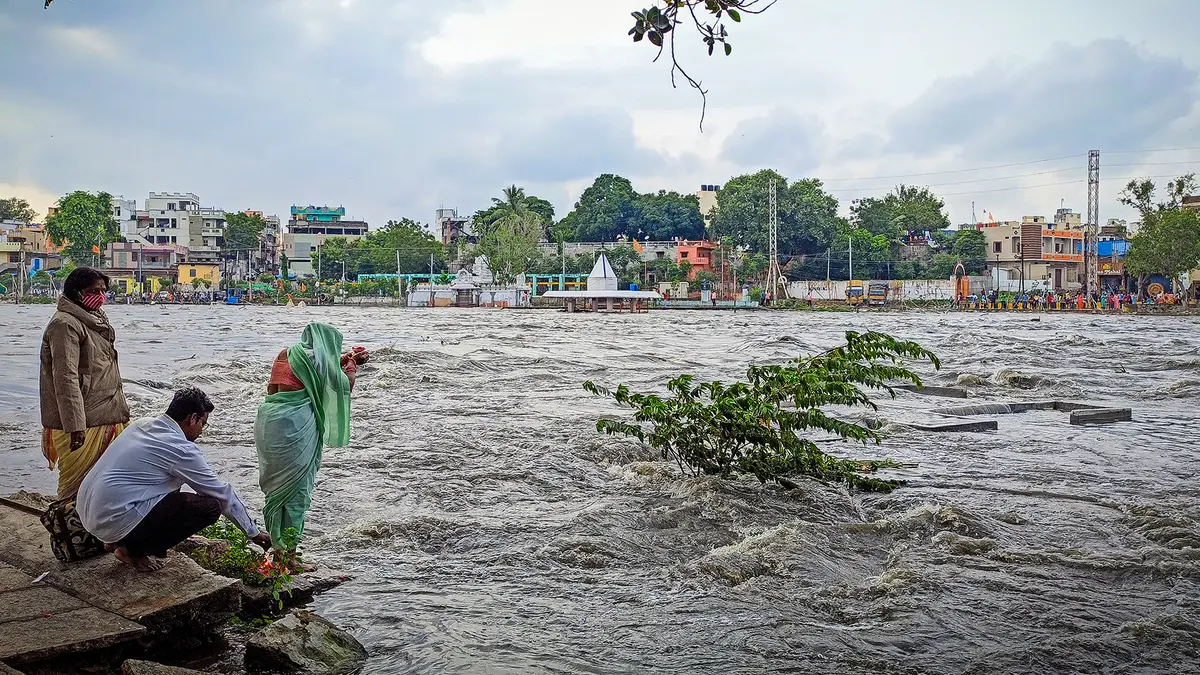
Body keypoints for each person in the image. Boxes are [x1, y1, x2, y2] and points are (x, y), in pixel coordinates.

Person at [77, 388, 270, 572]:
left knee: (165, 482)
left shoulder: (142, 424)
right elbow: (222, 494)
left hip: (88, 511)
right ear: (192, 419)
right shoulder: (181, 449)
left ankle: (116, 540)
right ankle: (133, 551)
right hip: (112, 518)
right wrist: (253, 532)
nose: (202, 431)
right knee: (211, 507)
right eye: (203, 423)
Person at [255, 323, 367, 562]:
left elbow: (309, 371)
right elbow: (344, 386)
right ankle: (289, 559)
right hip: (295, 428)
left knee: (276, 490)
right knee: (297, 493)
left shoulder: (287, 353)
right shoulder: (320, 361)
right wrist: (351, 368)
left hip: (268, 423)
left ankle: (278, 551)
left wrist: (337, 361)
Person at [39, 267, 132, 499]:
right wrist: (75, 425)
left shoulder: (96, 318)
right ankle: (64, 533)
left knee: (107, 485)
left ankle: (95, 531)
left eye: (103, 290)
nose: (100, 295)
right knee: (73, 490)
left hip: (107, 413)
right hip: (83, 422)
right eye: (93, 290)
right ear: (77, 293)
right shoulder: (65, 324)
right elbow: (65, 378)